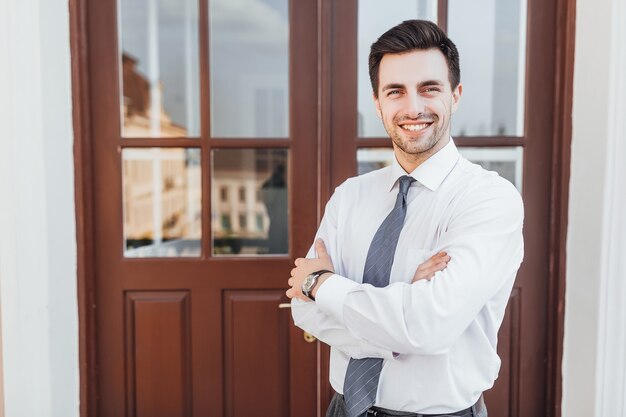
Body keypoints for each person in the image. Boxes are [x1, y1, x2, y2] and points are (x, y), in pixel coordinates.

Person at [286, 19, 524, 417]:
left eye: (429, 88)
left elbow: (429, 325)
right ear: (378, 104)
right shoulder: (349, 197)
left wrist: (321, 283)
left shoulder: (488, 199)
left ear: (456, 95)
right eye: (395, 92)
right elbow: (305, 310)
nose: (413, 107)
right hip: (343, 409)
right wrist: (402, 306)